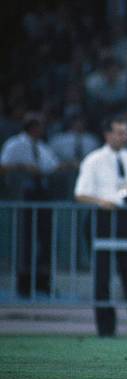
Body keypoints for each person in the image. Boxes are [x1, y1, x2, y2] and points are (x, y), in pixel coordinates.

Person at [74, 117, 127, 336]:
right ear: (107, 135)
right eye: (118, 132)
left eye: (125, 132)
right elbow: (80, 194)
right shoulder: (94, 159)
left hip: (125, 218)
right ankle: (106, 328)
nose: (122, 136)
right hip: (102, 218)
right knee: (102, 274)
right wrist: (100, 201)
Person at [1, 112, 59, 296]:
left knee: (44, 240)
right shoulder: (14, 144)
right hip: (22, 196)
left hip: (42, 195)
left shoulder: (42, 147)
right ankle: (24, 283)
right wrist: (23, 167)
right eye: (40, 126)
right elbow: (3, 166)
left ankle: (42, 281)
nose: (43, 129)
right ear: (33, 127)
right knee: (24, 241)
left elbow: (52, 166)